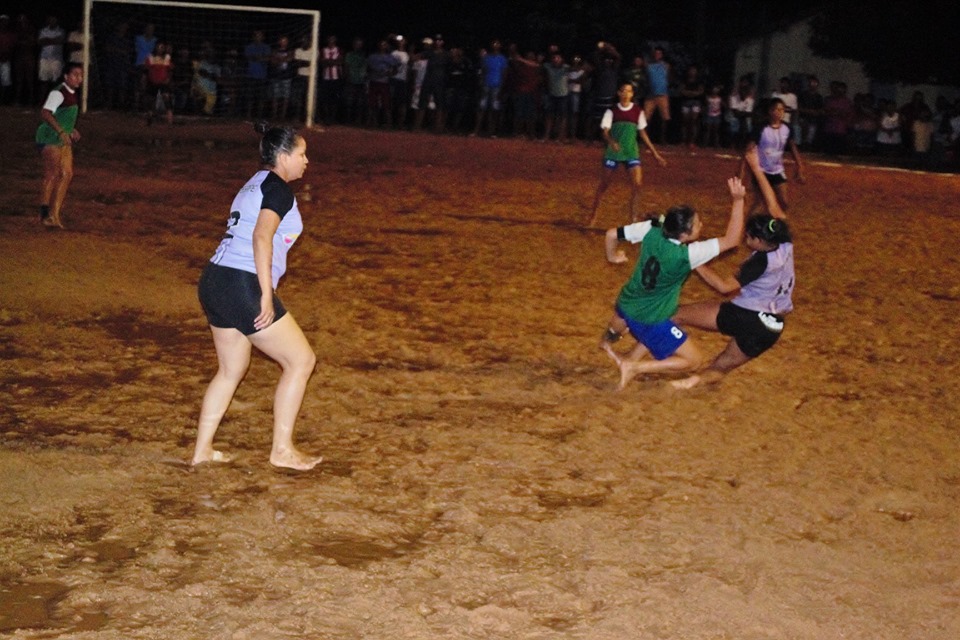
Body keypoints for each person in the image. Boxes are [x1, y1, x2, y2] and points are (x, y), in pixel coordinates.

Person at [193, 121, 321, 471]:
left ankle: (202, 449)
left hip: (215, 280)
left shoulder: (252, 184)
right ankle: (282, 449)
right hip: (243, 283)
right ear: (282, 156)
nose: (305, 161)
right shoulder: (278, 189)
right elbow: (261, 238)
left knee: (231, 369)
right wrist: (265, 294)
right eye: (301, 154)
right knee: (301, 361)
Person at [598, 174, 747, 390]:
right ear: (685, 234)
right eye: (697, 224)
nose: (701, 225)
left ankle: (608, 340)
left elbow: (611, 234)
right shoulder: (687, 254)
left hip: (627, 301)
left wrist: (612, 257)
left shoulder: (651, 230)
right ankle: (633, 366)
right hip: (650, 318)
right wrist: (738, 200)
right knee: (694, 360)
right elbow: (732, 240)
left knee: (623, 320)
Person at [670, 147, 794, 389]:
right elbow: (773, 204)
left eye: (749, 236)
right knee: (718, 368)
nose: (746, 238)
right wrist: (757, 168)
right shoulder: (783, 242)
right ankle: (685, 385)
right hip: (772, 328)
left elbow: (724, 287)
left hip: (747, 315)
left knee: (674, 314)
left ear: (759, 241)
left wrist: (694, 259)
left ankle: (651, 362)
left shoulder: (759, 262)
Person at [587, 81, 666, 227]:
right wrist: (612, 142)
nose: (626, 93)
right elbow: (605, 131)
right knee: (604, 184)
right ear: (619, 93)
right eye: (623, 90)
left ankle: (633, 220)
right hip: (613, 153)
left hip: (631, 152)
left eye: (629, 91)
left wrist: (655, 154)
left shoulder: (638, 112)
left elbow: (642, 133)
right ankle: (593, 216)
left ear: (632, 94)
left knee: (637, 185)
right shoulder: (612, 111)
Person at [35, 62, 83, 229]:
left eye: (80, 75)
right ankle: (44, 214)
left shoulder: (69, 92)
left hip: (61, 137)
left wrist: (71, 129)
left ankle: (54, 214)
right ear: (66, 76)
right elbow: (45, 113)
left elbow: (59, 115)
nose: (79, 78)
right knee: (53, 174)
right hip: (50, 137)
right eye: (75, 75)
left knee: (67, 174)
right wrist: (62, 131)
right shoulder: (58, 93)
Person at [740, 97, 804, 218]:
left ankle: (772, 225)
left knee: (784, 202)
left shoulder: (787, 128)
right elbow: (748, 151)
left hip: (777, 170)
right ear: (770, 111)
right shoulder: (761, 128)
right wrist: (741, 174)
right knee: (759, 203)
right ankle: (748, 227)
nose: (779, 113)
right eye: (776, 109)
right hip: (761, 171)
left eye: (782, 110)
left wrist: (799, 166)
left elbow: (792, 147)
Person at [471, 39, 508, 138]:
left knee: (494, 110)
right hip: (486, 85)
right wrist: (482, 84)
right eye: (494, 43)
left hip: (497, 86)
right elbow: (483, 72)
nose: (496, 45)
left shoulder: (502, 58)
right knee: (481, 108)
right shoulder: (486, 58)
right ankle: (476, 130)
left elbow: (504, 74)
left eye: (498, 43)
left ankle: (492, 132)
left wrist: (502, 88)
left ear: (500, 46)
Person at [642, 46, 670, 144]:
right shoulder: (648, 65)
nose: (657, 55)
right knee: (646, 118)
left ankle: (663, 139)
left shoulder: (665, 66)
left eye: (659, 53)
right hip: (650, 95)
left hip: (662, 95)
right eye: (655, 53)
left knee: (664, 118)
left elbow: (668, 78)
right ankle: (645, 139)